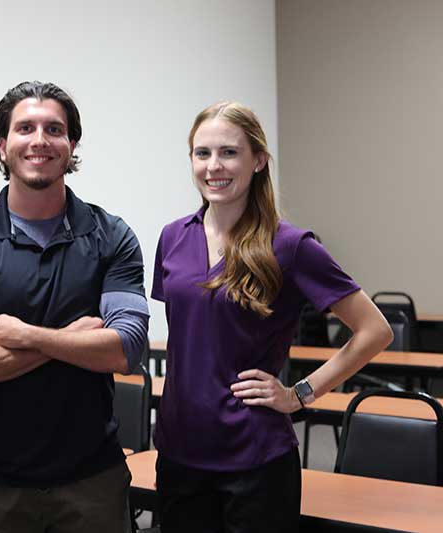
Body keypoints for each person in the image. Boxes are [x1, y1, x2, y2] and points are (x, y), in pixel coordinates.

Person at [151, 101, 393, 532]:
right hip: (180, 452)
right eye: (202, 153)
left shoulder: (291, 245)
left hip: (254, 459)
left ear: (258, 160)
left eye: (229, 152)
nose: (213, 166)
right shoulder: (172, 237)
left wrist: (299, 393)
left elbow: (374, 330)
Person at [0, 80, 150, 533]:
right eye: (25, 128)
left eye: (54, 129)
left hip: (93, 480)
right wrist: (74, 339)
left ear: (71, 145)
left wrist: (27, 336)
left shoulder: (111, 235)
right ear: (2, 145)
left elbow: (126, 350)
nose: (40, 140)